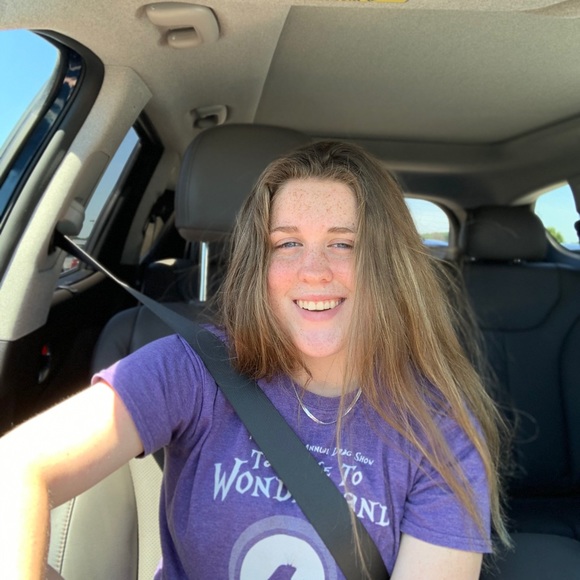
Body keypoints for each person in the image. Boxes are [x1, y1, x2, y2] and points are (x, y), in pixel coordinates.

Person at [0, 140, 509, 578]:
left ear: (388, 263)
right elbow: (16, 468)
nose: (313, 270)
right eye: (287, 243)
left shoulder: (439, 429)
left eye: (343, 243)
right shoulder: (194, 369)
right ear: (258, 264)